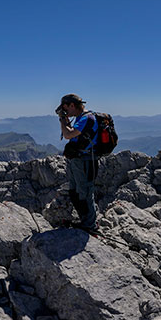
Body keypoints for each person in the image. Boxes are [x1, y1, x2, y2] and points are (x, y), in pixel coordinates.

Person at [57, 93, 101, 235]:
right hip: (78, 160)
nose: (66, 112)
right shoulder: (81, 118)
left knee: (85, 192)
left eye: (66, 109)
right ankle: (86, 221)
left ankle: (90, 225)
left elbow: (68, 135)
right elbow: (73, 134)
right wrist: (65, 119)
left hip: (85, 161)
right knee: (75, 191)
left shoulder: (87, 118)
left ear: (72, 105)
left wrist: (63, 120)